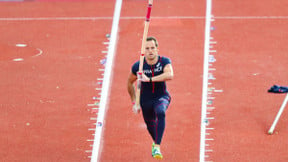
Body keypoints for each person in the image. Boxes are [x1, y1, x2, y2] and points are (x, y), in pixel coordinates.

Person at [127, 36, 174, 160]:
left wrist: (150, 79)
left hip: (161, 96)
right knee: (150, 125)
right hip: (145, 101)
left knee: (161, 112)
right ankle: (156, 143)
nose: (150, 51)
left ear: (157, 49)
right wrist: (134, 102)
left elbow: (170, 75)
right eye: (147, 48)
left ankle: (157, 146)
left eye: (153, 48)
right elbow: (129, 82)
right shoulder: (138, 66)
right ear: (143, 51)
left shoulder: (164, 61)